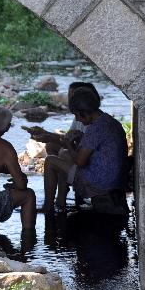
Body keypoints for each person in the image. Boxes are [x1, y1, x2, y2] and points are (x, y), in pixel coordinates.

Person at [43, 87, 129, 215]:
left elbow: (80, 162)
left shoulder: (95, 128)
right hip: (115, 179)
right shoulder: (109, 121)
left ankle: (48, 207)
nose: (77, 119)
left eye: (77, 115)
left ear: (85, 112)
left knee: (50, 161)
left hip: (99, 183)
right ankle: (60, 202)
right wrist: (80, 139)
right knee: (64, 155)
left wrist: (68, 143)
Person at [31, 82, 102, 210]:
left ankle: (53, 203)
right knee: (53, 146)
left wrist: (67, 144)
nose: (71, 101)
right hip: (84, 158)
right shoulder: (82, 116)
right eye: (70, 97)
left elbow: (80, 157)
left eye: (74, 97)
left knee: (56, 158)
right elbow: (69, 138)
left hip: (90, 168)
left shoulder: (92, 124)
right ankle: (61, 193)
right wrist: (47, 135)